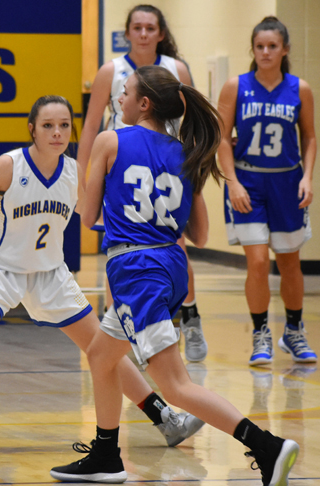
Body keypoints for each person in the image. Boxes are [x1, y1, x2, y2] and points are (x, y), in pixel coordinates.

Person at [0, 95, 203, 456]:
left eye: (64, 126)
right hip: (0, 269)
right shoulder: (8, 166)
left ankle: (165, 418)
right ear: (32, 129)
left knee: (102, 348)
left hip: (50, 275)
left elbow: (98, 217)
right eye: (48, 125)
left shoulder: (74, 172)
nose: (57, 132)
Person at [50, 67, 299, 486]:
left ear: (144, 103)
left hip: (136, 270)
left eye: (125, 93)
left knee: (176, 387)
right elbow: (200, 235)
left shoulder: (110, 141)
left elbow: (87, 217)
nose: (119, 100)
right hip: (172, 266)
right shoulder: (187, 152)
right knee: (101, 356)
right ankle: (106, 455)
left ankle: (267, 446)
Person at [79, 4, 207, 362]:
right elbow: (91, 124)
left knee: (135, 246)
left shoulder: (175, 70)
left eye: (150, 27)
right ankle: (132, 322)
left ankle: (189, 315)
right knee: (102, 358)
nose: (144, 34)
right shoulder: (111, 70)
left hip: (154, 166)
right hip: (133, 165)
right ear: (127, 33)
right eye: (137, 27)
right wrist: (80, 176)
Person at [217, 16, 317, 365]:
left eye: (272, 46)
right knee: (258, 262)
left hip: (287, 182)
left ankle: (294, 331)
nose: (265, 52)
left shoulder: (300, 89)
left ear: (285, 49)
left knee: (289, 263)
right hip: (249, 182)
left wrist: (308, 178)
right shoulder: (236, 86)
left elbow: (310, 137)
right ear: (253, 50)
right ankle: (261, 334)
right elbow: (221, 138)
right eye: (259, 46)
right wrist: (232, 182)